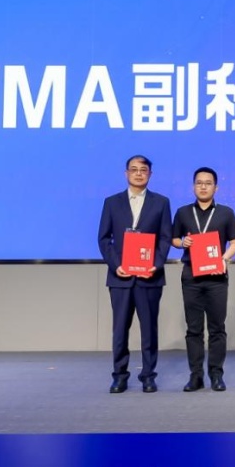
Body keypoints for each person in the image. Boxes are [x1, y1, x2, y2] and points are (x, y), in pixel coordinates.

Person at [97, 155, 172, 394]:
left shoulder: (161, 202)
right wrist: (115, 264)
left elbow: (165, 238)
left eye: (143, 170)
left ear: (150, 174)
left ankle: (148, 376)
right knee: (120, 330)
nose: (138, 173)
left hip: (150, 277)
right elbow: (104, 238)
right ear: (126, 173)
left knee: (149, 329)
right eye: (134, 169)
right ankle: (119, 376)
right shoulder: (112, 202)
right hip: (120, 277)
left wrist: (156, 264)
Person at [171, 167, 235, 393]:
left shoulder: (225, 213)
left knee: (217, 328)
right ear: (194, 186)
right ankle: (196, 376)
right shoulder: (183, 212)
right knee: (193, 329)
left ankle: (216, 374)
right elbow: (173, 238)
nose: (203, 186)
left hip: (216, 277)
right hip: (191, 276)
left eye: (208, 183)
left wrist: (225, 258)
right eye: (199, 183)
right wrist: (182, 243)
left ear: (216, 187)